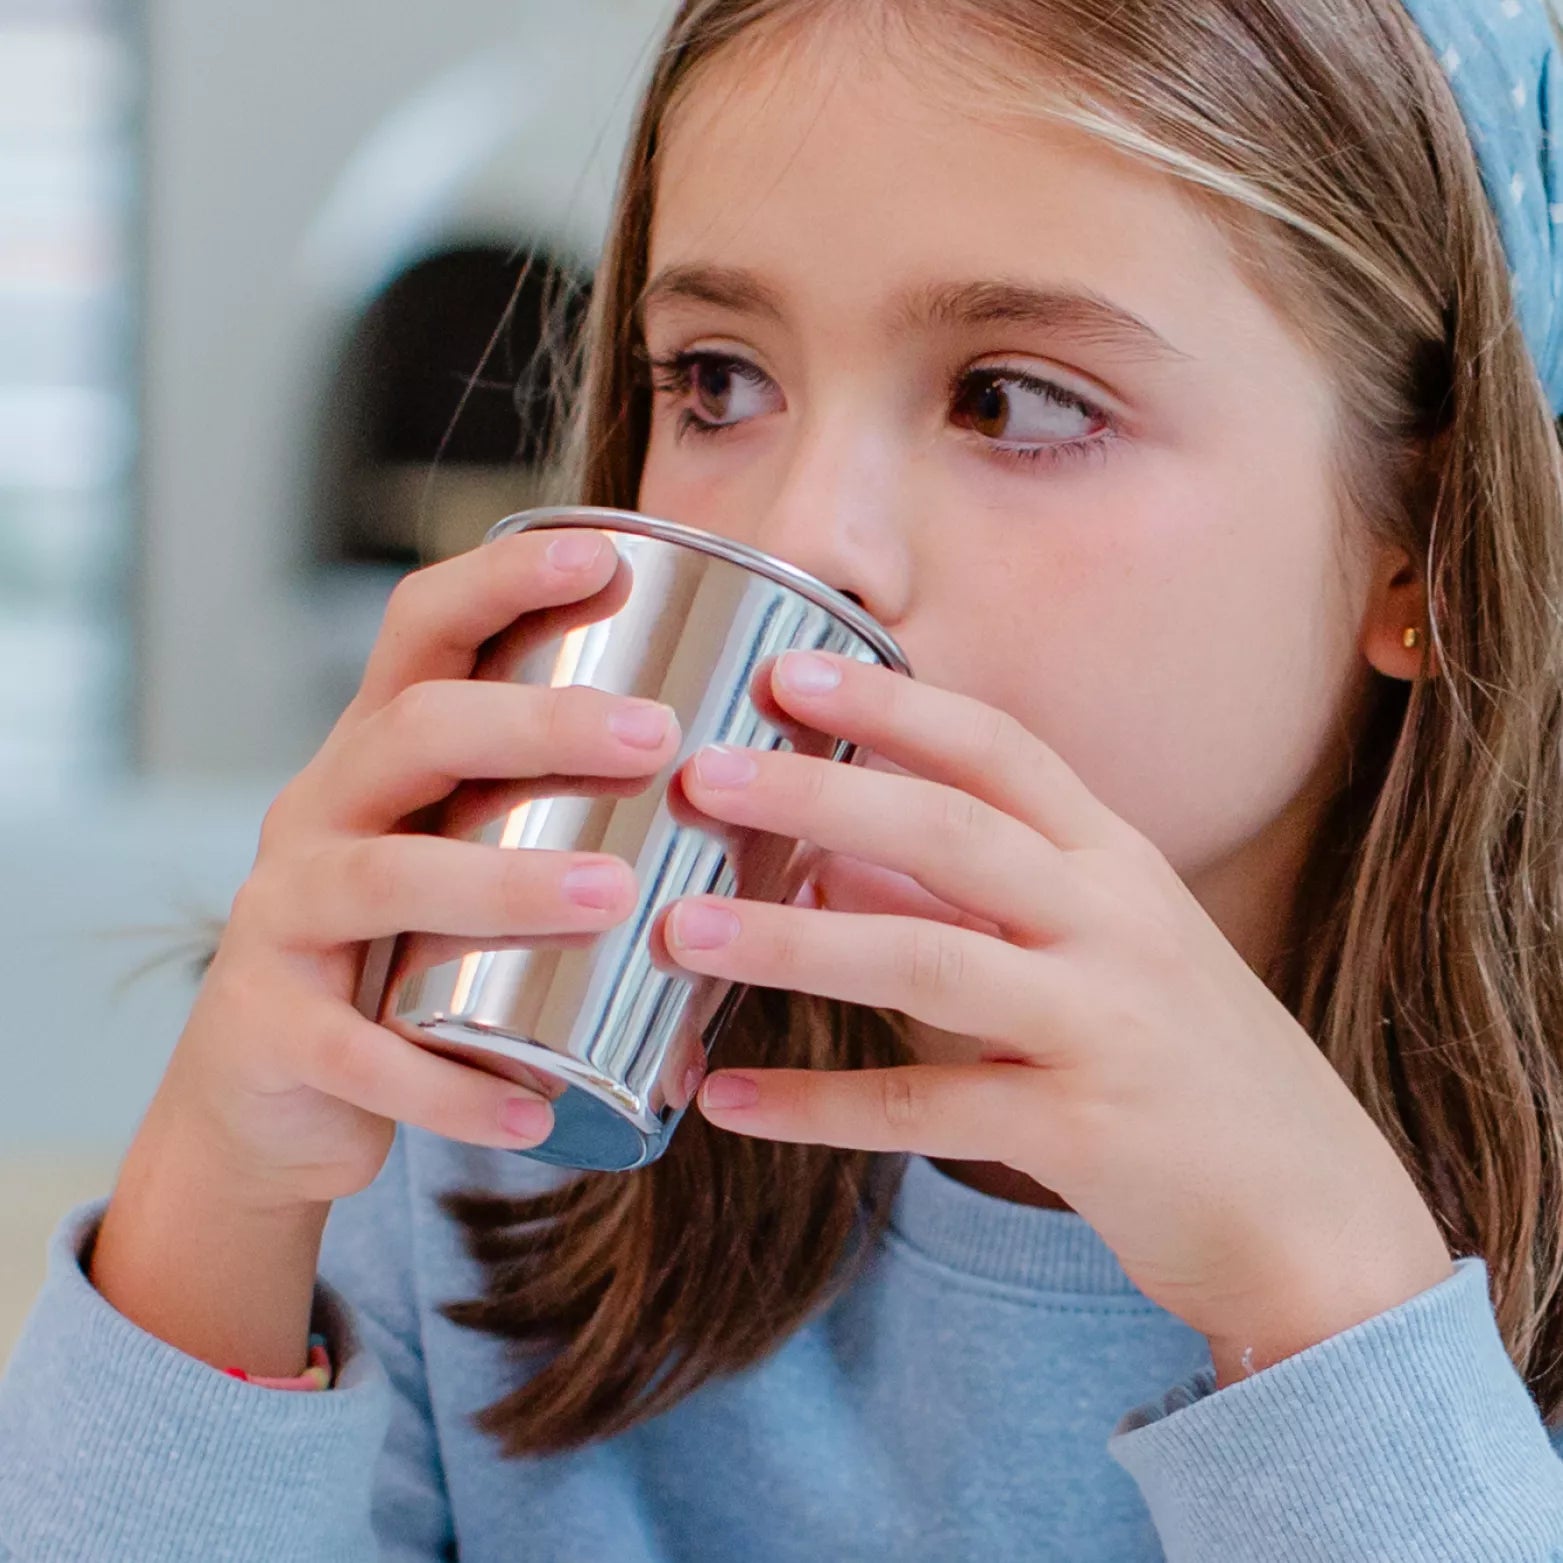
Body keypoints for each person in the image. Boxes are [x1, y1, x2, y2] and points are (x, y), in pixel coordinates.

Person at [6, 0, 1563, 1556]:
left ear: (1423, 546)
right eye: (719, 381)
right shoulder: (483, 1128)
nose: (805, 536)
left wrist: (1329, 1307)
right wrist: (218, 1209)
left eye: (1012, 401)